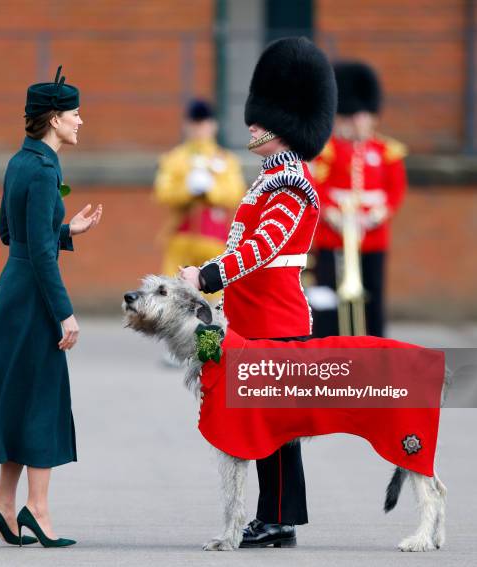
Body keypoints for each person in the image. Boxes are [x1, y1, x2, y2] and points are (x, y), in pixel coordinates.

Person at [180, 37, 337, 548]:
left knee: (278, 430)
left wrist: (206, 278)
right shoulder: (269, 178)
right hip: (248, 318)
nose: (252, 125)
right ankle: (271, 516)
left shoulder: (291, 184)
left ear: (286, 123)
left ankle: (279, 519)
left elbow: (261, 249)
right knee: (260, 423)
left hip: (275, 320)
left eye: (262, 118)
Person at [0, 66, 102, 548]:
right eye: (76, 114)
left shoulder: (23, 161)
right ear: (54, 119)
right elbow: (40, 253)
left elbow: (11, 235)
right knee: (43, 401)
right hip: (36, 299)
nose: (81, 121)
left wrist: (65, 231)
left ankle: (2, 502)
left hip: (14, 292)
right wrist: (65, 312)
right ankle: (36, 510)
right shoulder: (44, 170)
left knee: (23, 398)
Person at [310, 61, 407, 337]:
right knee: (329, 294)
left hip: (372, 237)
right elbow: (317, 185)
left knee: (373, 294)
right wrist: (330, 213)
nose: (359, 122)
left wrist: (381, 212)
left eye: (363, 116)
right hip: (335, 236)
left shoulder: (387, 151)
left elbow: (395, 189)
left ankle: (373, 346)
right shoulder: (329, 151)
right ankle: (328, 345)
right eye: (354, 116)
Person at [154, 99, 245, 278]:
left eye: (203, 124)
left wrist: (211, 190)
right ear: (187, 126)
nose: (199, 129)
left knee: (216, 294)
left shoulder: (226, 160)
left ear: (213, 125)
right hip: (181, 237)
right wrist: (187, 189)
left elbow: (236, 193)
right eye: (195, 124)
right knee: (174, 290)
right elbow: (162, 192)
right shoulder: (175, 158)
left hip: (215, 240)